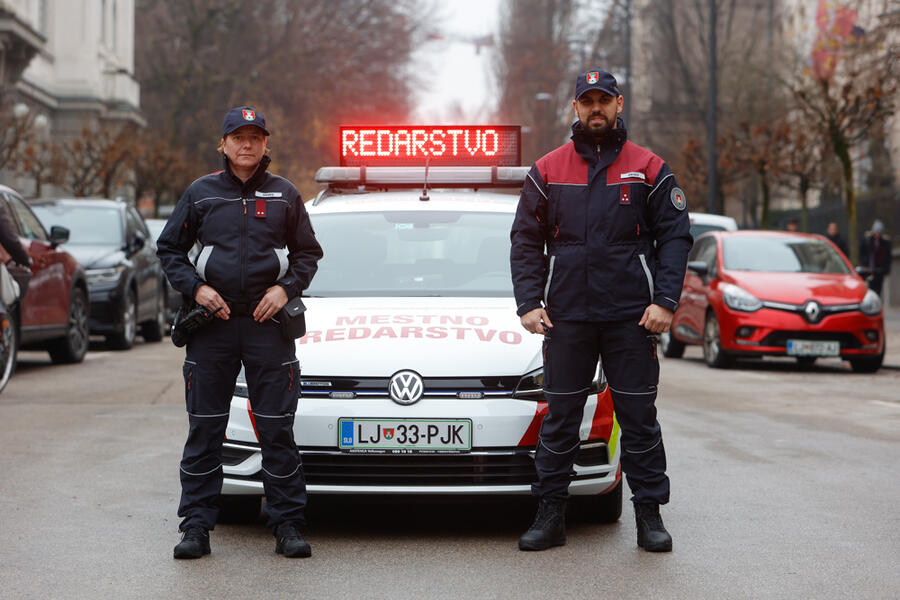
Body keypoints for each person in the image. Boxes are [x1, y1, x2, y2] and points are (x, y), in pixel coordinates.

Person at [510, 70, 692, 553]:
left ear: (619, 104)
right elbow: (525, 241)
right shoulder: (547, 169)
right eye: (587, 101)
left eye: (604, 101)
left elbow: (675, 237)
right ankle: (550, 514)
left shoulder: (649, 167)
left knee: (638, 418)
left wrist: (665, 301)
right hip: (567, 316)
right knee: (560, 417)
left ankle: (649, 517)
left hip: (632, 317)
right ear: (574, 108)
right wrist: (529, 302)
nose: (596, 108)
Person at [157, 107, 323, 559]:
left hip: (269, 327)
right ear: (223, 144)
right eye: (238, 137)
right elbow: (169, 248)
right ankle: (195, 527)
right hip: (213, 326)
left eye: (255, 137)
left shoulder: (286, 194)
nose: (246, 145)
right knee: (205, 431)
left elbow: (308, 254)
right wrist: (198, 288)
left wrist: (284, 290)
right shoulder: (201, 193)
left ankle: (287, 524)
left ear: (266, 144)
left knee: (276, 431)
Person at [860, 219, 892, 296]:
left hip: (880, 270)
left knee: (878, 290)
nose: (877, 234)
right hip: (870, 269)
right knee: (870, 289)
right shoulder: (868, 240)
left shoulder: (884, 242)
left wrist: (886, 268)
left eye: (879, 232)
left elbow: (887, 256)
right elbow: (863, 252)